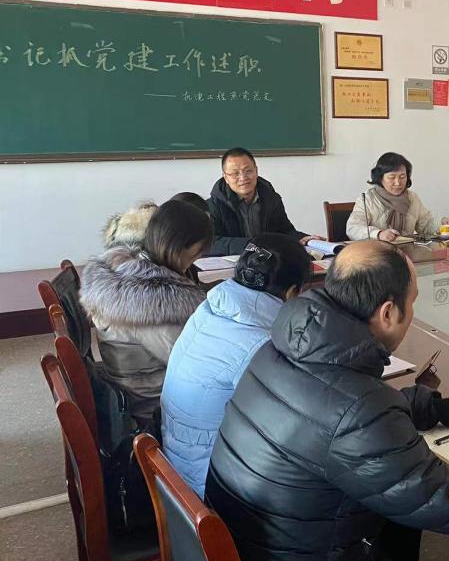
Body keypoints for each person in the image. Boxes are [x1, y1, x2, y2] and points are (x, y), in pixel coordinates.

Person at [205, 241, 449, 561]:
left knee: (402, 531)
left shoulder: (283, 349)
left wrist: (436, 407)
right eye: (413, 302)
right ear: (388, 312)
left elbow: (334, 412)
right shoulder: (360, 409)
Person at [160, 234, 311, 497]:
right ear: (293, 292)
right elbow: (292, 424)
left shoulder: (210, 308)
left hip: (179, 464)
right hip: (210, 487)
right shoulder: (261, 344)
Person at [80, 199, 212, 425]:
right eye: (198, 251)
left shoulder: (126, 274)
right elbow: (196, 365)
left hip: (131, 385)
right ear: (179, 246)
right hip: (151, 406)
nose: (198, 257)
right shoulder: (157, 303)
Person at [207, 147, 324, 255]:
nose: (243, 178)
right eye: (235, 173)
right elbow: (210, 242)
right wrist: (253, 245)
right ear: (225, 178)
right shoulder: (213, 205)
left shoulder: (271, 198)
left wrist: (302, 238)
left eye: (248, 171)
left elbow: (284, 231)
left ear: (256, 171)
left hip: (268, 261)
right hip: (234, 262)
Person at [347, 152, 439, 242]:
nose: (398, 183)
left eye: (402, 177)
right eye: (392, 177)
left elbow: (426, 225)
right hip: (377, 250)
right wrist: (378, 234)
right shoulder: (368, 199)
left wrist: (441, 226)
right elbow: (353, 228)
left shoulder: (412, 198)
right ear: (380, 178)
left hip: (406, 249)